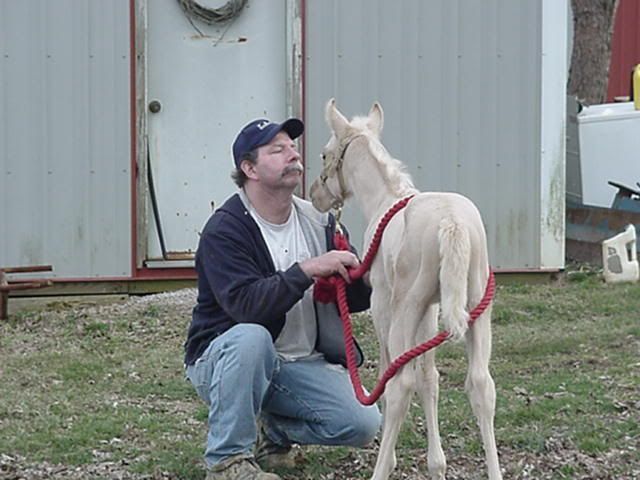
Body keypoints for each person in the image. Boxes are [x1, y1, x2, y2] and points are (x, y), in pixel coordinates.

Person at [184, 117, 382, 480]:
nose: (293, 154)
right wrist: (306, 270)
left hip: (296, 363)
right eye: (278, 150)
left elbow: (348, 299)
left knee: (363, 423)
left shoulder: (320, 221)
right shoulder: (225, 229)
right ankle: (227, 461)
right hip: (225, 360)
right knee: (251, 337)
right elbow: (247, 307)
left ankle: (273, 432)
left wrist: (367, 276)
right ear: (249, 169)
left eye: (292, 147)